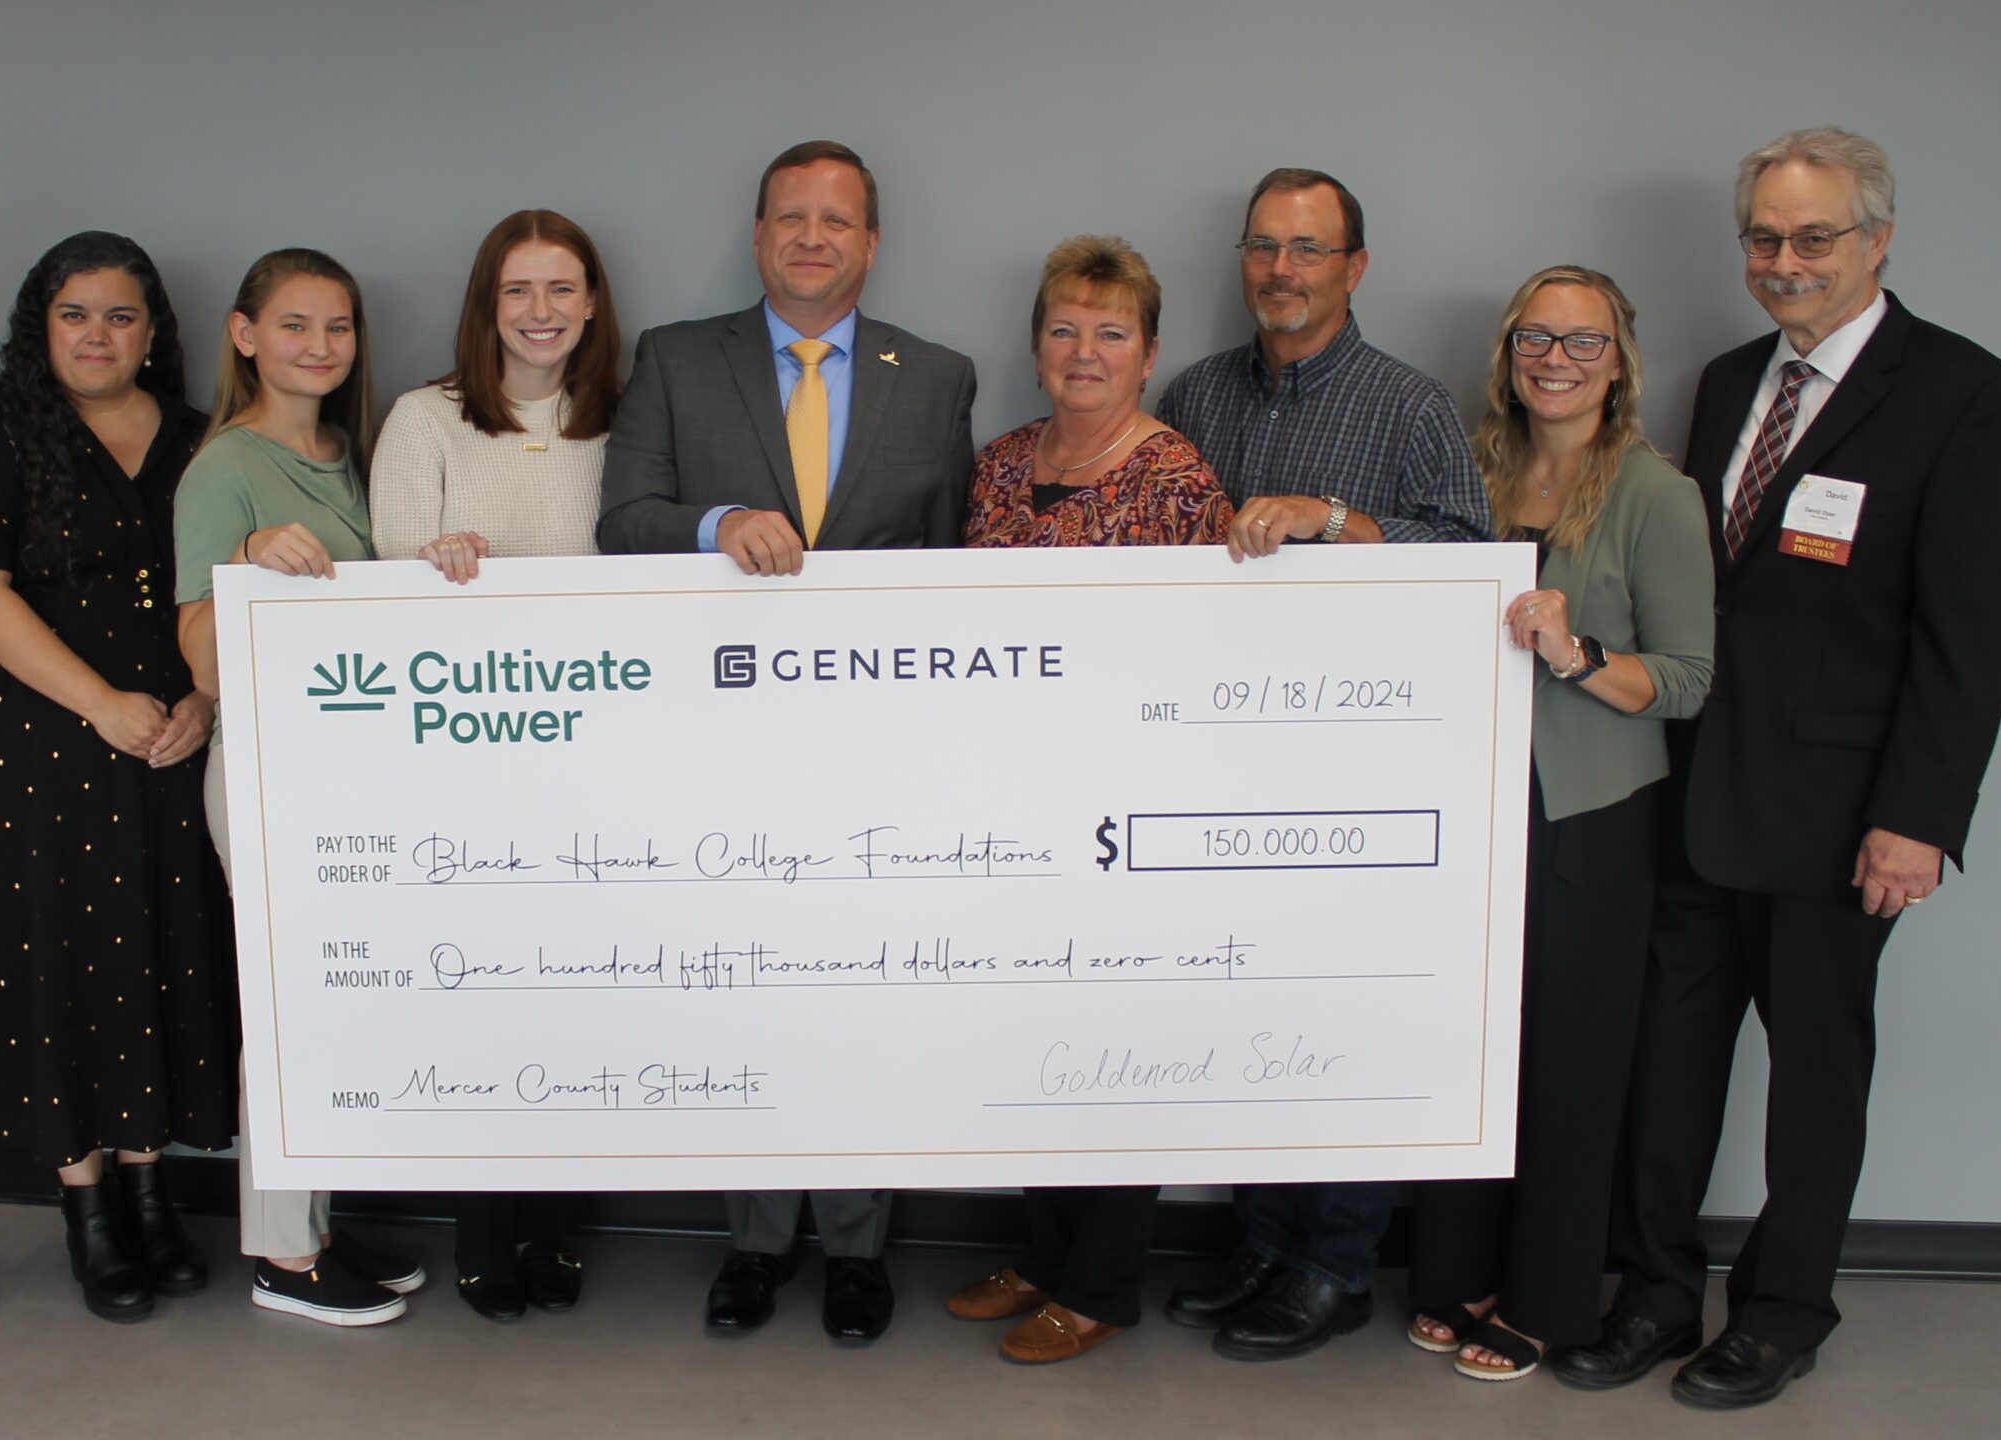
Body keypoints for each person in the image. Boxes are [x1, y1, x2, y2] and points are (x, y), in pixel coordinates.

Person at [1557, 128, 2001, 1409]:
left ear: (1877, 239)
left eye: (1811, 237)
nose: (1783, 261)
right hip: (1694, 791)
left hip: (1839, 819)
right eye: (1762, 237)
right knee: (1669, 1063)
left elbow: (1968, 637)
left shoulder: (1965, 396)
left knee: (1817, 1076)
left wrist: (1918, 821)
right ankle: (1655, 1293)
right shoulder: (1723, 385)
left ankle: (1782, 1308)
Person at [595, 139, 977, 1342]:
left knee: (866, 988)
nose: (813, 238)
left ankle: (859, 1248)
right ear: (758, 235)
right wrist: (720, 523)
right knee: (746, 981)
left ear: (871, 244)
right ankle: (756, 1241)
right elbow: (622, 522)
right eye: (791, 218)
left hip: (877, 747)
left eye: (838, 221)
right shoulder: (672, 358)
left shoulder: (940, 375)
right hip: (719, 742)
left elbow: (955, 562)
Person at [1153, 166, 1490, 1362]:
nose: (1279, 271)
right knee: (1246, 996)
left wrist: (1330, 517)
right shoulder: (1194, 393)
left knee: (1343, 1011)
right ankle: (1262, 1236)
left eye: (1307, 249)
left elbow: (1470, 559)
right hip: (1213, 755)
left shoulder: (1408, 406)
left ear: (1354, 266)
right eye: (1261, 246)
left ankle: (1335, 1263)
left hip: (1357, 763)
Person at [0, 231, 235, 1323]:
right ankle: (88, 1208)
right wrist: (103, 704)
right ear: (40, 328)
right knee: (56, 964)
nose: (98, 335)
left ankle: (150, 1191)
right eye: (75, 314)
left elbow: (221, 589)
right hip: (24, 753)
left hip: (164, 745)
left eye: (121, 316)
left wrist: (201, 703)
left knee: (150, 952)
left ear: (153, 332)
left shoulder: (198, 440)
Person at [1402, 266, 1712, 1382]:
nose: (1555, 360)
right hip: (1469, 802)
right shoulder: (1469, 467)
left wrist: (1576, 654)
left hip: (1586, 814)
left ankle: (1545, 1300)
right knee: (1467, 1040)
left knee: (1569, 1063)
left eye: (1583, 343)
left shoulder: (1654, 494)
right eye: (1535, 338)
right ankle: (1457, 1271)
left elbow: (1684, 681)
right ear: (1507, 351)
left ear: (1619, 361)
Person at [941, 236, 1230, 1365]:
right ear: (1036, 341)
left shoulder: (1177, 479)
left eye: (1111, 331)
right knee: (1030, 1036)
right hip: (1010, 799)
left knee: (1114, 1044)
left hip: (1123, 806)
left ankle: (1100, 1280)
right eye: (1065, 327)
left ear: (1150, 351)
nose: (1084, 350)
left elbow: (1196, 657)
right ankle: (1044, 1250)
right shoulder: (1002, 460)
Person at [367, 209, 624, 1317]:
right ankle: (483, 1232)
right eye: (517, 290)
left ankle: (556, 1230)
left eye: (561, 288)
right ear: (486, 305)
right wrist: (432, 565)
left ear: (593, 303)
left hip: (596, 759)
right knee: (478, 1002)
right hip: (460, 765)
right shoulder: (424, 419)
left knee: (577, 1001)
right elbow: (385, 566)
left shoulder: (623, 421)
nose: (540, 312)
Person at [173, 248, 424, 1327]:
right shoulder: (224, 468)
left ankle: (310, 1223)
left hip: (348, 779)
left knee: (336, 1005)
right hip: (271, 780)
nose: (318, 348)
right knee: (286, 1013)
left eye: (337, 328)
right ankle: (281, 1255)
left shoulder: (345, 456)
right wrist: (244, 558)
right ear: (243, 335)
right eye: (293, 326)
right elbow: (204, 659)